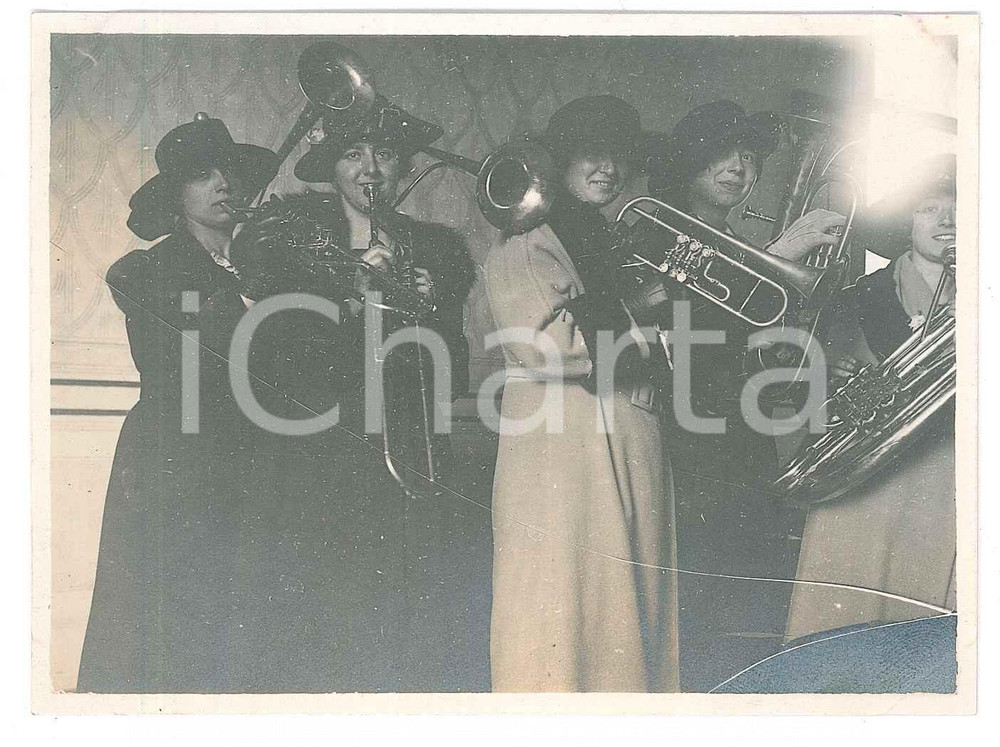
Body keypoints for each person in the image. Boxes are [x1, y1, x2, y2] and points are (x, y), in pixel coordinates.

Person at [229, 97, 481, 692]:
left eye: (385, 154)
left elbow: (450, 372)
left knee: (404, 613)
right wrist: (352, 293)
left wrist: (430, 308)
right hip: (319, 455)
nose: (370, 169)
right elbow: (276, 356)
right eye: (352, 153)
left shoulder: (434, 251)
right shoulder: (288, 237)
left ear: (402, 166)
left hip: (404, 456)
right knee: (322, 613)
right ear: (330, 166)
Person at [644, 100, 848, 689]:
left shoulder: (731, 236)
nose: (740, 166)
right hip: (684, 430)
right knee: (700, 591)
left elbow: (742, 335)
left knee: (743, 589)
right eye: (723, 152)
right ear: (689, 160)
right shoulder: (659, 225)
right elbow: (684, 328)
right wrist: (781, 256)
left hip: (735, 426)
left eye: (750, 156)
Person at [77, 113, 279, 692]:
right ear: (175, 194)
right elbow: (187, 368)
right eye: (201, 174)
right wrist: (248, 291)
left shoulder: (275, 267)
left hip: (259, 466)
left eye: (230, 170)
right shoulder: (146, 272)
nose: (222, 183)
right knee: (175, 632)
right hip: (179, 465)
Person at [484, 96, 680, 692]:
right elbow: (544, 345)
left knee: (627, 599)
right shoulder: (525, 240)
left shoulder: (610, 238)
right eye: (591, 155)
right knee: (559, 596)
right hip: (559, 442)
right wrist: (652, 324)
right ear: (559, 162)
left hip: (620, 432)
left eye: (618, 156)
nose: (608, 169)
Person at [784, 154, 957, 642]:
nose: (947, 221)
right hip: (864, 480)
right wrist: (836, 380)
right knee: (848, 617)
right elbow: (801, 390)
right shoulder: (856, 298)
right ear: (907, 223)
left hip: (947, 478)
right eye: (928, 208)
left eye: (959, 208)